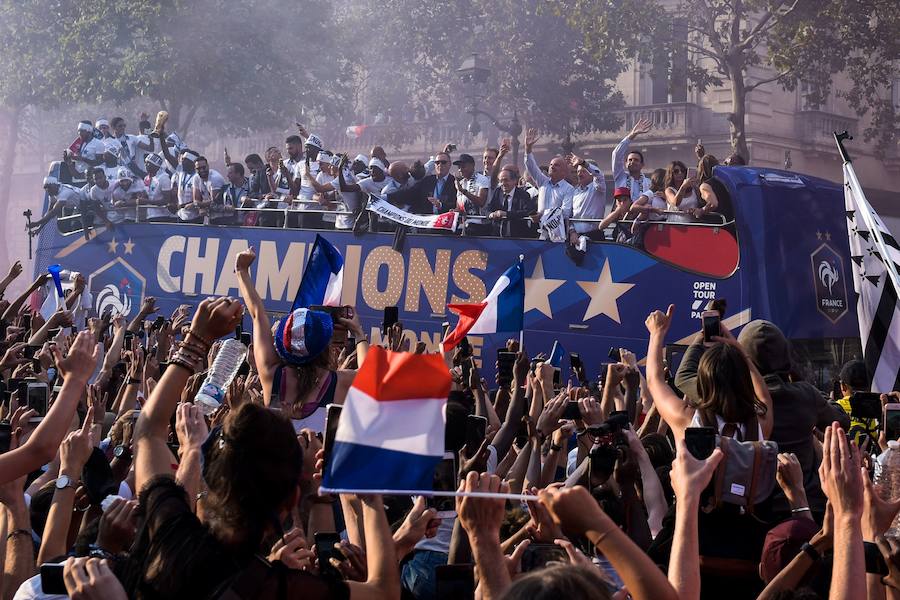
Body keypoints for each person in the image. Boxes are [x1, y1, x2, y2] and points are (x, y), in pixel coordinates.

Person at [125, 297, 400, 599]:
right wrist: (369, 497)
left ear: (213, 476)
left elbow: (148, 432)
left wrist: (195, 342)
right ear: (292, 497)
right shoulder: (280, 589)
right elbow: (384, 592)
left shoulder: (172, 535)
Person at [234, 247, 367, 429]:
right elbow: (369, 376)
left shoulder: (272, 375)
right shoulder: (339, 383)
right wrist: (358, 333)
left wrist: (241, 271)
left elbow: (258, 315)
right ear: (324, 346)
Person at [523, 128, 575, 232]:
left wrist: (542, 215)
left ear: (564, 172)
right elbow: (531, 166)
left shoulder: (569, 189)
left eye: (557, 165)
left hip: (558, 231)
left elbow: (565, 212)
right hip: (540, 229)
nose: (552, 167)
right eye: (551, 165)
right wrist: (528, 149)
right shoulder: (543, 182)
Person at [834, 359, 878, 446]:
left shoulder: (835, 407)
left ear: (843, 386)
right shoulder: (879, 407)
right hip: (873, 457)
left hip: (845, 457)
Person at [486, 167, 536, 237]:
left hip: (518, 237)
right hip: (497, 236)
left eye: (506, 180)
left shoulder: (523, 194)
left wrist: (506, 214)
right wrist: (490, 214)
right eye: (500, 181)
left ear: (514, 181)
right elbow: (489, 207)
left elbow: (527, 211)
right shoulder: (498, 192)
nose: (503, 183)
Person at [612, 118, 653, 202]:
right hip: (622, 214)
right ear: (626, 164)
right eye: (630, 160)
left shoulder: (649, 183)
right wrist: (632, 135)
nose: (632, 162)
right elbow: (617, 154)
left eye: (636, 160)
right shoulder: (620, 177)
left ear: (642, 165)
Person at [569, 155, 607, 241]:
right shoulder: (575, 192)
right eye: (578, 171)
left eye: (583, 171)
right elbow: (570, 216)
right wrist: (572, 232)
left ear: (591, 173)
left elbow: (599, 175)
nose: (579, 174)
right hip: (576, 237)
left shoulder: (598, 188)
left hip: (594, 236)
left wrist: (583, 163)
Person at [144, 153, 175, 223]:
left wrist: (147, 201)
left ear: (155, 165)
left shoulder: (164, 178)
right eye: (145, 163)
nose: (145, 165)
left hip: (162, 217)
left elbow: (166, 200)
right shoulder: (147, 178)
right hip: (149, 215)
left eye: (148, 163)